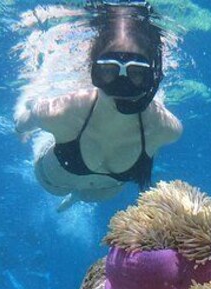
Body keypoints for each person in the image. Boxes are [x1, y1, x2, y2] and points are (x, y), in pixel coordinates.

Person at [15, 1, 183, 212]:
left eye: (137, 73)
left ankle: (76, 197)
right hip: (53, 183)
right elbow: (23, 122)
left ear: (153, 77)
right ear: (93, 71)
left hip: (100, 191)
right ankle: (75, 195)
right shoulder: (64, 112)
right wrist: (23, 126)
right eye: (109, 71)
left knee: (86, 195)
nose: (123, 84)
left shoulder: (165, 128)